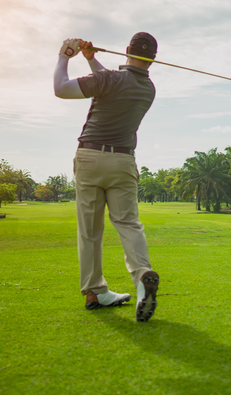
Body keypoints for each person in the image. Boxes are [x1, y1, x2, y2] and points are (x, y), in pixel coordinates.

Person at [53, 33, 160, 322]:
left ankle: (94, 290)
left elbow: (61, 89)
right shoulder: (148, 89)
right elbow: (111, 82)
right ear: (153, 59)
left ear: (126, 50)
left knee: (89, 229)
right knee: (128, 223)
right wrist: (91, 60)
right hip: (124, 161)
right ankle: (141, 278)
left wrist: (65, 55)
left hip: (90, 158)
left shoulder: (109, 80)